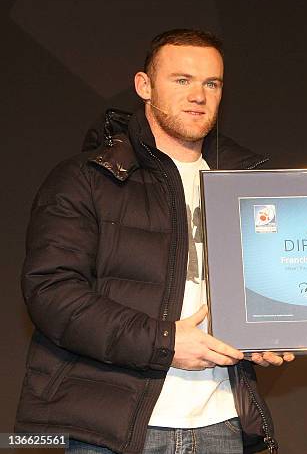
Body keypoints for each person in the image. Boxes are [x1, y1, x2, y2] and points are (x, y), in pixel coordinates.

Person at [15, 28, 292, 454]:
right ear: (144, 86)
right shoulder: (86, 179)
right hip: (112, 430)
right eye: (181, 80)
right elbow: (52, 294)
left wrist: (273, 329)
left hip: (222, 422)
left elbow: (267, 289)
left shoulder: (246, 185)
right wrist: (165, 343)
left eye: (211, 83)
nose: (198, 95)